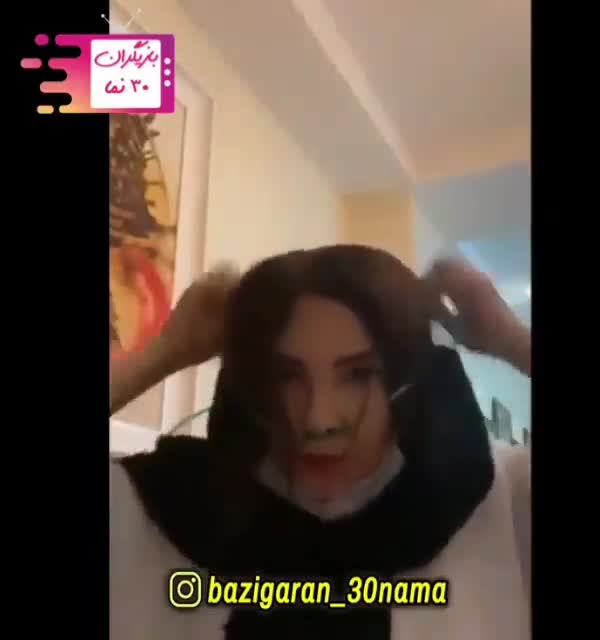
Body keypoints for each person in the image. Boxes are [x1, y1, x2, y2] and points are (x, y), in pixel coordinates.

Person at [110, 245, 530, 640]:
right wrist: (164, 353)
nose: (318, 420)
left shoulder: (501, 504)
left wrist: (510, 339)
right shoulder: (169, 504)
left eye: (358, 375)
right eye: (287, 376)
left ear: (408, 383)